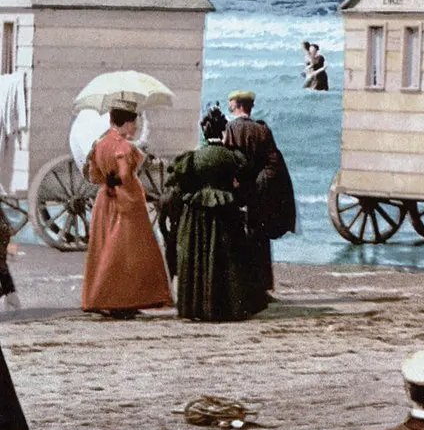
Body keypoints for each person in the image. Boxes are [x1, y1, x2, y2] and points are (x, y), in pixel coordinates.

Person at [158, 106, 265, 321]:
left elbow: (177, 183)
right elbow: (244, 183)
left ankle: (197, 306)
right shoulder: (232, 157)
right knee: (228, 258)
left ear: (205, 132)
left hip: (196, 213)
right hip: (226, 212)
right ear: (223, 131)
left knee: (199, 256)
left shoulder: (193, 157)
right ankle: (229, 306)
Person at [81, 106, 172, 316]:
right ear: (128, 123)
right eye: (135, 123)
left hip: (105, 199)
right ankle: (124, 299)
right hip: (126, 199)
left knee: (105, 248)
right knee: (127, 251)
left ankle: (100, 296)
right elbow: (126, 175)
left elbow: (94, 176)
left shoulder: (99, 144)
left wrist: (109, 180)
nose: (136, 127)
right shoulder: (124, 147)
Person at [224, 91, 296, 296]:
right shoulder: (262, 129)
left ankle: (242, 286)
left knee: (239, 237)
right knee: (260, 240)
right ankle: (262, 286)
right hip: (260, 192)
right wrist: (260, 185)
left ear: (236, 105)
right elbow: (273, 163)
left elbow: (229, 160)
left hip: (240, 191)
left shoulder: (230, 128)